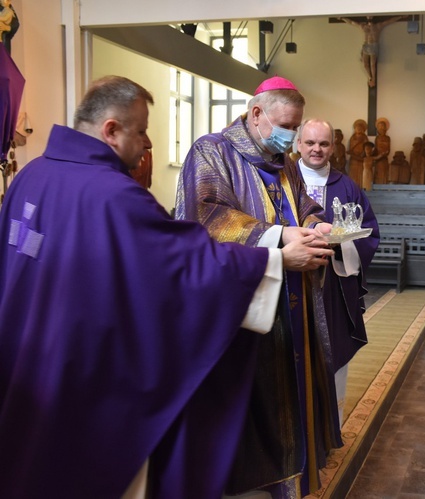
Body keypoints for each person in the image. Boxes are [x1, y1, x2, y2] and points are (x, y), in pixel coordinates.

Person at [0, 75, 333, 498]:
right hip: (81, 370)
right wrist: (274, 258)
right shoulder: (114, 192)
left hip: (25, 359)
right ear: (111, 130)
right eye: (140, 131)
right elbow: (184, 261)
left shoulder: (30, 177)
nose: (146, 143)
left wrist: (308, 225)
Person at [175, 76, 340, 499]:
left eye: (296, 127)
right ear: (256, 114)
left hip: (292, 300)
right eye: (286, 125)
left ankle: (288, 481)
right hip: (243, 306)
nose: (291, 136)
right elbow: (205, 218)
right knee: (247, 404)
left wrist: (315, 223)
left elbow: (300, 203)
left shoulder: (282, 159)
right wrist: (279, 238)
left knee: (291, 391)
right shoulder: (211, 151)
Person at [294, 118, 380, 425]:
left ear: (333, 146)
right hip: (291, 284)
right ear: (298, 144)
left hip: (333, 286)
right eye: (310, 142)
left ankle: (330, 428)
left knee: (332, 354)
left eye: (324, 143)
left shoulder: (347, 186)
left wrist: (341, 242)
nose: (317, 149)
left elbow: (369, 232)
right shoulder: (281, 180)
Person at [338, 15, 407, 87]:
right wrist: (342, 18)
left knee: (372, 64)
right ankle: (370, 77)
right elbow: (352, 22)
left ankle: (373, 78)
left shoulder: (378, 26)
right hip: (366, 45)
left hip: (373, 45)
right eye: (368, 18)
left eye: (371, 18)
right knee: (365, 64)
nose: (369, 20)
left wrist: (401, 17)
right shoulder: (363, 26)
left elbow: (389, 21)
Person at [346, 118, 367, 187]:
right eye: (357, 128)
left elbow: (367, 147)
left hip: (361, 159)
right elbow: (350, 148)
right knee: (353, 174)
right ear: (355, 129)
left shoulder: (364, 137)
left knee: (361, 174)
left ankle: (360, 188)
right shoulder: (352, 137)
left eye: (360, 128)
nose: (359, 129)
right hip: (353, 159)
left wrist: (363, 153)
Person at [373, 117, 390, 184]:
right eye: (380, 127)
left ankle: (384, 187)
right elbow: (375, 148)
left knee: (384, 173)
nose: (382, 128)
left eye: (383, 127)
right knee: (378, 173)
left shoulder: (388, 138)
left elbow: (388, 149)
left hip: (384, 158)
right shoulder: (377, 138)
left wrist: (384, 154)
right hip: (378, 159)